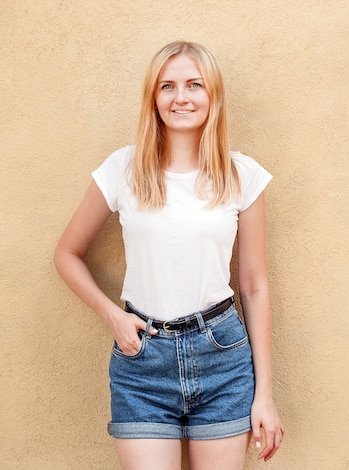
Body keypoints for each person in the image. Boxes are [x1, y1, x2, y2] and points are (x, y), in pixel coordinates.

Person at [54, 41, 284, 470]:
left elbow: (253, 285)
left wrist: (264, 395)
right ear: (154, 97)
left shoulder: (241, 176)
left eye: (194, 85)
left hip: (223, 358)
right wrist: (112, 316)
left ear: (212, 95)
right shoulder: (123, 169)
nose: (181, 97)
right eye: (168, 86)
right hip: (143, 362)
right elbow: (67, 253)